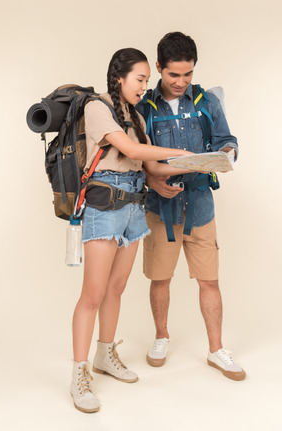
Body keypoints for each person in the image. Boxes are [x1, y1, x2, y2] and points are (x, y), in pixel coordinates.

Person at [70, 47, 203, 414]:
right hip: (104, 205)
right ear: (120, 77)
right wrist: (177, 151)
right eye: (140, 79)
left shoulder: (135, 115)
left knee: (117, 287)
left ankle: (104, 355)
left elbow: (151, 168)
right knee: (93, 294)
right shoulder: (98, 107)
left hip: (133, 205)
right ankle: (79, 373)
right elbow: (129, 149)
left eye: (147, 80)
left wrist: (199, 163)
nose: (145, 87)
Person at [136, 32, 246, 381]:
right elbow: (133, 158)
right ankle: (161, 336)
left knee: (210, 281)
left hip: (200, 207)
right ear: (159, 68)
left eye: (188, 74)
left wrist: (226, 155)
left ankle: (216, 350)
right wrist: (152, 181)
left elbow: (227, 140)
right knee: (160, 279)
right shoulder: (143, 108)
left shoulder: (207, 102)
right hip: (160, 209)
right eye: (173, 75)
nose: (181, 82)